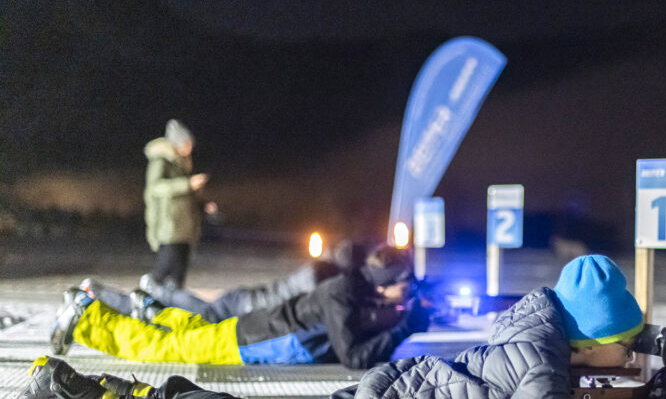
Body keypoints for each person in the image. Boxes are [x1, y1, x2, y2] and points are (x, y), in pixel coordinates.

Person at [4, 255, 666, 399]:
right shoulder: (538, 364)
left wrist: (650, 373)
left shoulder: (537, 334)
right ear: (588, 334)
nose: (624, 354)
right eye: (621, 342)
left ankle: (93, 392)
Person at [48, 244, 428, 368]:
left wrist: (398, 318)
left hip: (256, 329)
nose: (407, 293)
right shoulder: (342, 294)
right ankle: (86, 319)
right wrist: (404, 327)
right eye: (404, 286)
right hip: (253, 339)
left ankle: (152, 311)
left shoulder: (353, 289)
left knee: (190, 332)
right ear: (384, 283)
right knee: (165, 349)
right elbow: (353, 357)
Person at [80, 241, 371, 323]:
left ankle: (159, 291)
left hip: (244, 298)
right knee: (193, 315)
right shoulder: (323, 281)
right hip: (245, 309)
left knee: (200, 308)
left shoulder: (316, 268)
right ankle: (109, 296)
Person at [145, 119, 209, 289]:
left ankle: (174, 309)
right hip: (169, 228)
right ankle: (144, 300)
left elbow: (185, 197)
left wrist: (203, 205)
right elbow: (155, 187)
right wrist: (188, 184)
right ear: (177, 143)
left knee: (178, 276)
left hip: (185, 228)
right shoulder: (161, 161)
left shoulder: (183, 163)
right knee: (162, 272)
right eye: (187, 143)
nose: (190, 147)